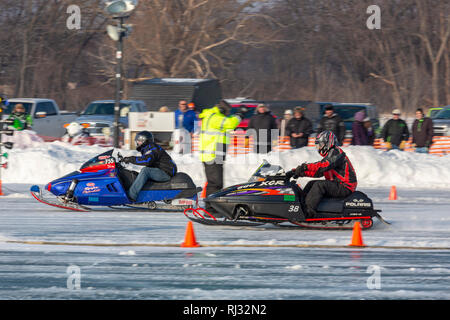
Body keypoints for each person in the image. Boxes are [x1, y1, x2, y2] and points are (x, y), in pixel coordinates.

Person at [285, 131, 357, 220]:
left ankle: (308, 212)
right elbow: (318, 172)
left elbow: (323, 165)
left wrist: (305, 167)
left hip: (345, 186)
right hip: (338, 184)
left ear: (328, 143)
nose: (319, 148)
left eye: (321, 144)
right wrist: (298, 172)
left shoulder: (337, 152)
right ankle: (301, 206)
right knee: (312, 183)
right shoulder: (331, 155)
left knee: (319, 185)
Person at [199, 100, 244, 198]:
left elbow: (228, 125)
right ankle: (212, 210)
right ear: (222, 110)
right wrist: (239, 115)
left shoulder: (214, 117)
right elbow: (230, 123)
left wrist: (237, 115)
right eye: (227, 112)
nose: (228, 114)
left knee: (216, 183)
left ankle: (212, 209)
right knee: (215, 184)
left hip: (215, 155)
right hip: (212, 155)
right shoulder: (215, 117)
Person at [122, 131, 177, 202]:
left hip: (165, 172)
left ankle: (131, 195)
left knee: (145, 171)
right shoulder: (149, 147)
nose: (137, 143)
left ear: (144, 140)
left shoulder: (152, 148)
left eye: (139, 141)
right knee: (142, 173)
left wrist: (130, 159)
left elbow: (146, 160)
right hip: (163, 170)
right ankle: (141, 194)